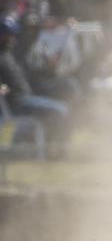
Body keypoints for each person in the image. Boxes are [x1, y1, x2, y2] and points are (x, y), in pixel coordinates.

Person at [0, 17, 70, 146]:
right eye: (8, 35)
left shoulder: (8, 54)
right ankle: (58, 148)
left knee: (65, 94)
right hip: (20, 103)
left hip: (26, 98)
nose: (12, 38)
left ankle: (51, 144)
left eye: (12, 35)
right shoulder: (3, 57)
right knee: (61, 110)